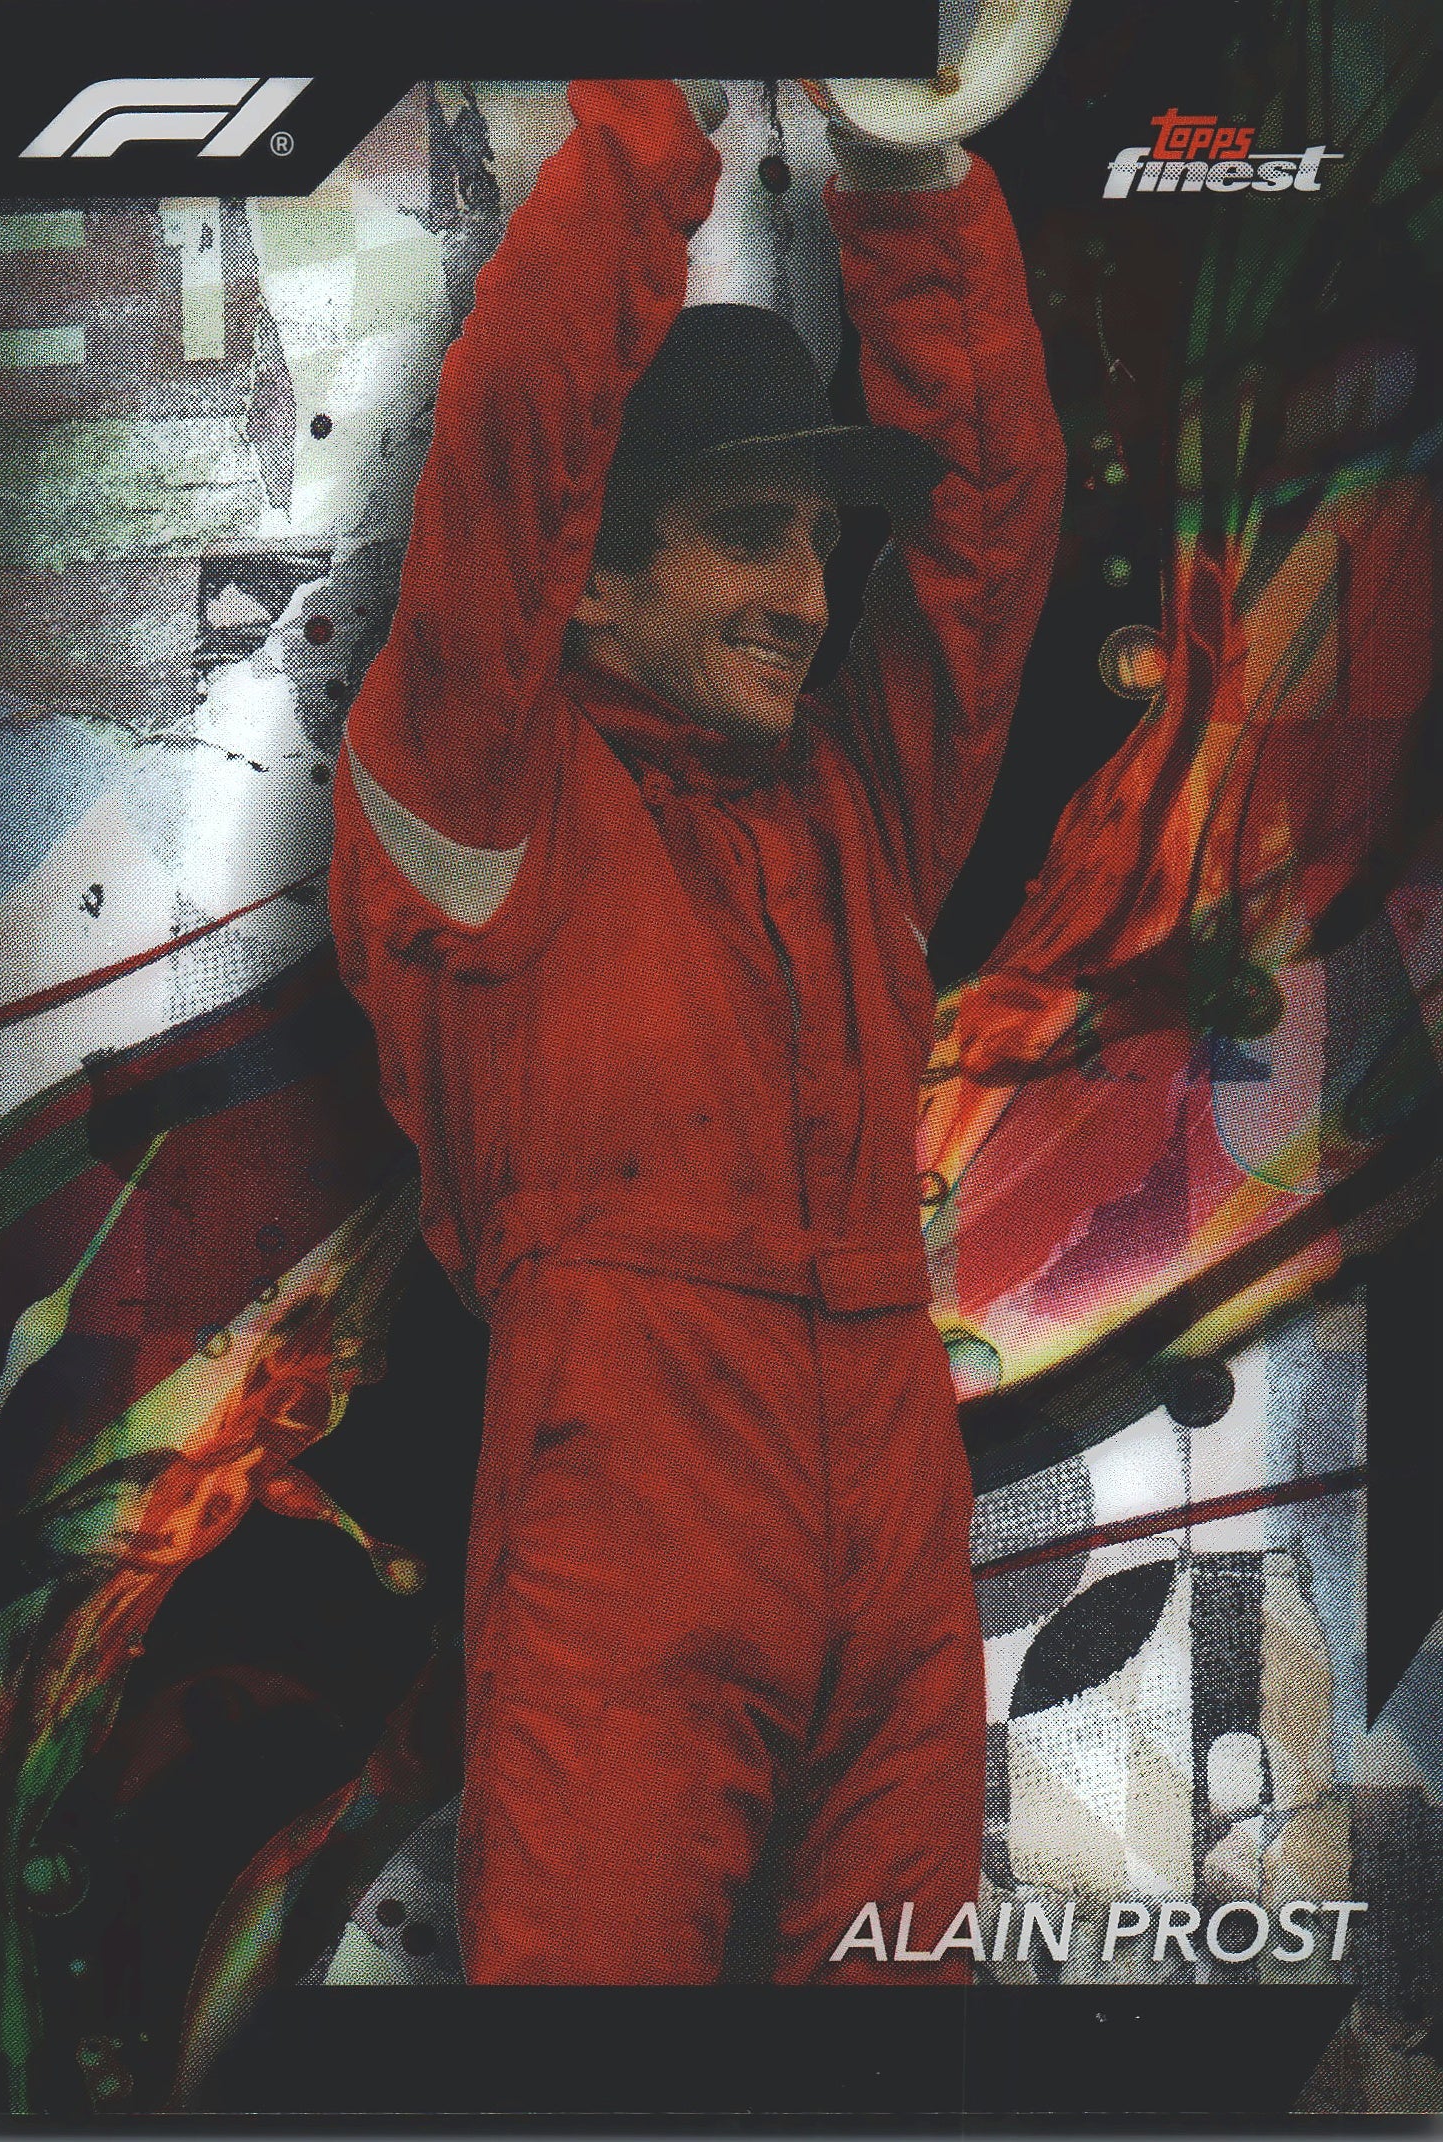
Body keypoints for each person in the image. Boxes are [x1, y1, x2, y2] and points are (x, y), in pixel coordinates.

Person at [329, 76, 1063, 1984]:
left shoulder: (858, 810)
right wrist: (652, 120)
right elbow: (515, 435)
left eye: (819, 545)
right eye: (748, 536)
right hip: (626, 1512)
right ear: (586, 575)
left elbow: (986, 534)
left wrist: (908, 166)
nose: (807, 601)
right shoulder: (479, 797)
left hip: (893, 1528)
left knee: (907, 2077)